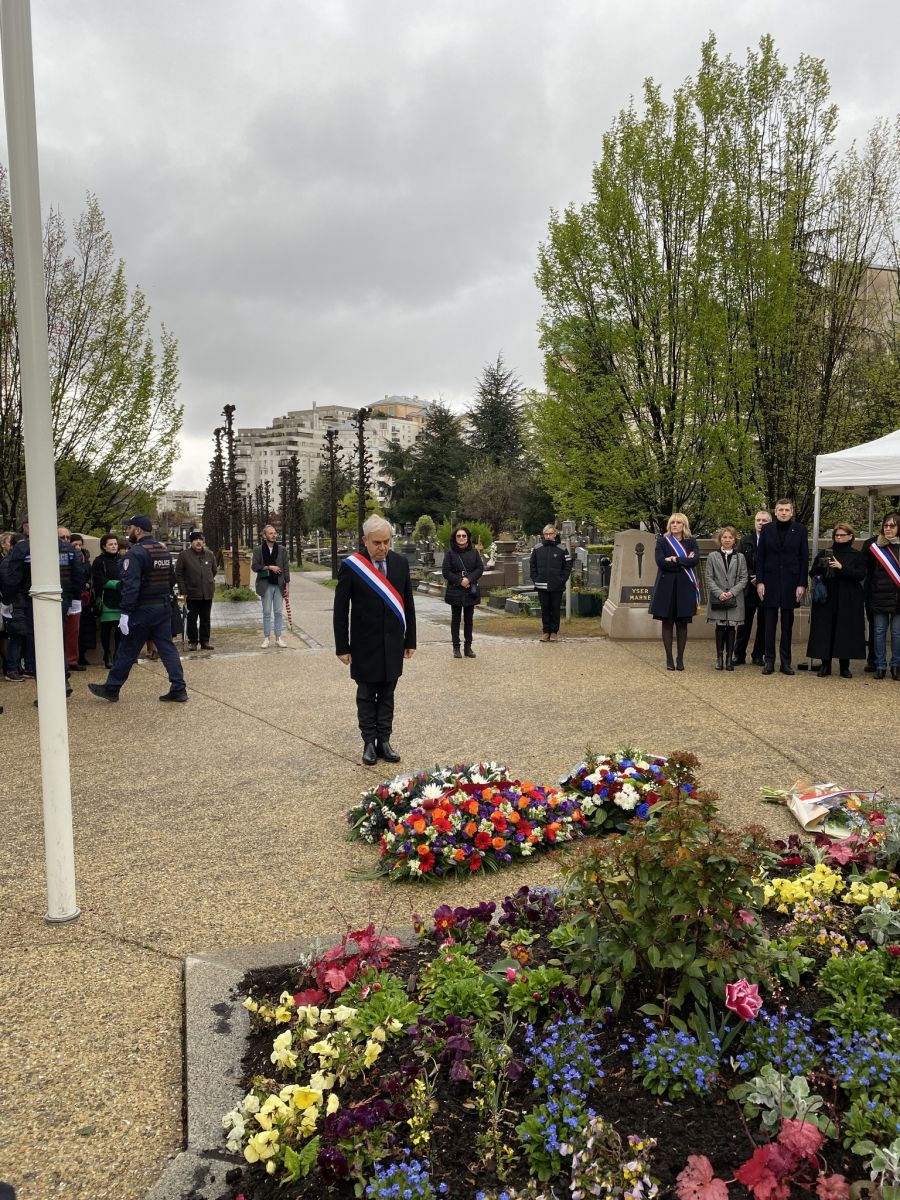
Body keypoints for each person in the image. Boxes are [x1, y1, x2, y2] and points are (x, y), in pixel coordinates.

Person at [333, 515, 416, 766]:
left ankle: (385, 741)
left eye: (387, 542)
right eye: (377, 542)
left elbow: (408, 604)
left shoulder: (400, 564)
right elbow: (340, 609)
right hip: (364, 644)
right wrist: (342, 646)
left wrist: (410, 640)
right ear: (365, 541)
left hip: (392, 643)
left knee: (388, 694)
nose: (383, 548)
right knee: (367, 695)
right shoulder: (352, 566)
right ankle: (369, 742)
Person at [88, 516, 187, 703]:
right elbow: (171, 580)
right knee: (167, 648)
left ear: (138, 530)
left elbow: (130, 585)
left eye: (129, 527)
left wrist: (125, 612)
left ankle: (112, 688)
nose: (127, 531)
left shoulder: (136, 553)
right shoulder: (162, 550)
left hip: (143, 609)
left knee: (127, 649)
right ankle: (178, 687)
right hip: (163, 606)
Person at [0, 524, 85, 689]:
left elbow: (13, 577)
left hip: (34, 600)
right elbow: (78, 574)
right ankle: (62, 678)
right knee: (58, 639)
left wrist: (7, 601)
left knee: (36, 645)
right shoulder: (67, 548)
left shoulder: (23, 547)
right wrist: (75, 598)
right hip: (61, 599)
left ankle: (47, 689)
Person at [755, 498, 809, 676]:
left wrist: (802, 584)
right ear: (775, 512)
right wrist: (760, 581)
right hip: (770, 582)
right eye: (780, 510)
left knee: (787, 626)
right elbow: (760, 557)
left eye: (787, 510)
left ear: (791, 512)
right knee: (769, 625)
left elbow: (803, 559)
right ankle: (768, 660)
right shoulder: (767, 529)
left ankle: (786, 662)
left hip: (791, 583)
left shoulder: (800, 530)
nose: (784, 512)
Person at [806, 521, 866, 678]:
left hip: (848, 597)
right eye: (836, 535)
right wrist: (821, 568)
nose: (838, 538)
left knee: (845, 631)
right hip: (827, 597)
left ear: (850, 536)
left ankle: (844, 666)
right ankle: (825, 665)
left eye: (842, 535)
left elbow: (860, 574)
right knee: (825, 630)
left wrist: (841, 568)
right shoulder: (826, 552)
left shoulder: (856, 554)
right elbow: (812, 572)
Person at [649, 513, 700, 671]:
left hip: (685, 586)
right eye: (672, 523)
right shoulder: (663, 541)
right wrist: (683, 561)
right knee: (667, 622)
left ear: (684, 525)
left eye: (678, 522)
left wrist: (675, 559)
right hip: (666, 586)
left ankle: (680, 658)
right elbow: (660, 562)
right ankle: (669, 658)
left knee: (682, 623)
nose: (675, 525)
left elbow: (695, 561)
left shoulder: (691, 542)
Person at [705, 526, 748, 671]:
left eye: (730, 537)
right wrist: (719, 592)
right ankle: (719, 658)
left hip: (734, 597)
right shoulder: (712, 556)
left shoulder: (740, 557)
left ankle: (729, 658)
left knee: (731, 627)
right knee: (720, 626)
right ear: (720, 539)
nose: (727, 540)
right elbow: (709, 577)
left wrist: (732, 593)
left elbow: (744, 578)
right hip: (718, 597)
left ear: (734, 540)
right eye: (724, 537)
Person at [733, 510, 772, 666]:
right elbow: (739, 562)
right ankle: (739, 654)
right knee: (744, 623)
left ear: (770, 523)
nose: (761, 523)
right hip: (748, 588)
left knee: (764, 624)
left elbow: (775, 563)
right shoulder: (745, 541)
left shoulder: (774, 541)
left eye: (764, 520)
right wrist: (752, 577)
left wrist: (763, 578)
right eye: (758, 520)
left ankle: (758, 655)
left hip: (767, 588)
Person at [866, 511, 900, 680]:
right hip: (879, 595)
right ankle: (880, 665)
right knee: (879, 631)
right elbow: (868, 571)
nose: (888, 529)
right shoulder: (875, 548)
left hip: (898, 597)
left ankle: (896, 665)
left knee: (897, 633)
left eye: (892, 526)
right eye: (885, 525)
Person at [441, 526, 484, 659]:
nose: (461, 538)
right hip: (456, 589)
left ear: (468, 537)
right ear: (455, 538)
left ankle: (468, 647)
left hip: (470, 589)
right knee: (456, 619)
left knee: (469, 620)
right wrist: (460, 581)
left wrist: (469, 579)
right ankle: (456, 647)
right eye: (458, 536)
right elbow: (446, 571)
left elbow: (480, 568)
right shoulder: (450, 553)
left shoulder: (474, 552)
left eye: (464, 536)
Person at [176, 530, 217, 651]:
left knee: (205, 618)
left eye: (200, 539)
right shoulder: (184, 555)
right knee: (192, 618)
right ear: (191, 542)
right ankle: (193, 641)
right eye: (195, 540)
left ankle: (205, 641)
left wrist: (207, 581)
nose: (198, 542)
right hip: (191, 593)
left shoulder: (209, 554)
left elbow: (213, 570)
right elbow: (179, 574)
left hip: (207, 593)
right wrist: (183, 590)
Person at [529, 524, 572, 642]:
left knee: (555, 609)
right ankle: (546, 632)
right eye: (546, 534)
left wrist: (562, 579)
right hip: (541, 584)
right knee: (545, 609)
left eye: (550, 534)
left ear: (555, 534)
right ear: (544, 535)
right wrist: (535, 578)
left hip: (556, 585)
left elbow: (568, 565)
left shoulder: (562, 548)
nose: (548, 536)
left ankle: (554, 632)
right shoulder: (537, 548)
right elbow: (532, 565)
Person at [251, 525, 290, 648]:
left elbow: (286, 568)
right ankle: (266, 638)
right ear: (264, 536)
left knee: (278, 612)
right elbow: (254, 567)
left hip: (279, 584)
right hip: (265, 584)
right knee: (267, 612)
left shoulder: (282, 549)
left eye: (275, 533)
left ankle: (278, 637)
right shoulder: (258, 550)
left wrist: (287, 585)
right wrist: (269, 567)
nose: (274, 535)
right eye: (271, 533)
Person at [92, 534, 123, 668]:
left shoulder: (122, 560)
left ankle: (117, 655)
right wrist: (115, 584)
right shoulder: (99, 561)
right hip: (106, 599)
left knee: (119, 630)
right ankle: (107, 654)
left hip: (121, 599)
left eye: (115, 544)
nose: (114, 546)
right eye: (110, 544)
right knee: (106, 629)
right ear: (104, 546)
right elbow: (98, 579)